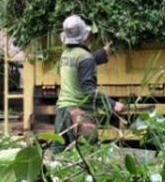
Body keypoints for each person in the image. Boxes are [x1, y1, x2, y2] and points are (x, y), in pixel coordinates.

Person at [53, 15, 124, 151]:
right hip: (78, 113)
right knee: (89, 155)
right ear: (84, 36)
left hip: (62, 112)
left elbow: (81, 64)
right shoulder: (84, 57)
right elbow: (89, 90)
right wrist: (113, 104)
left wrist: (103, 53)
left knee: (58, 157)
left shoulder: (66, 54)